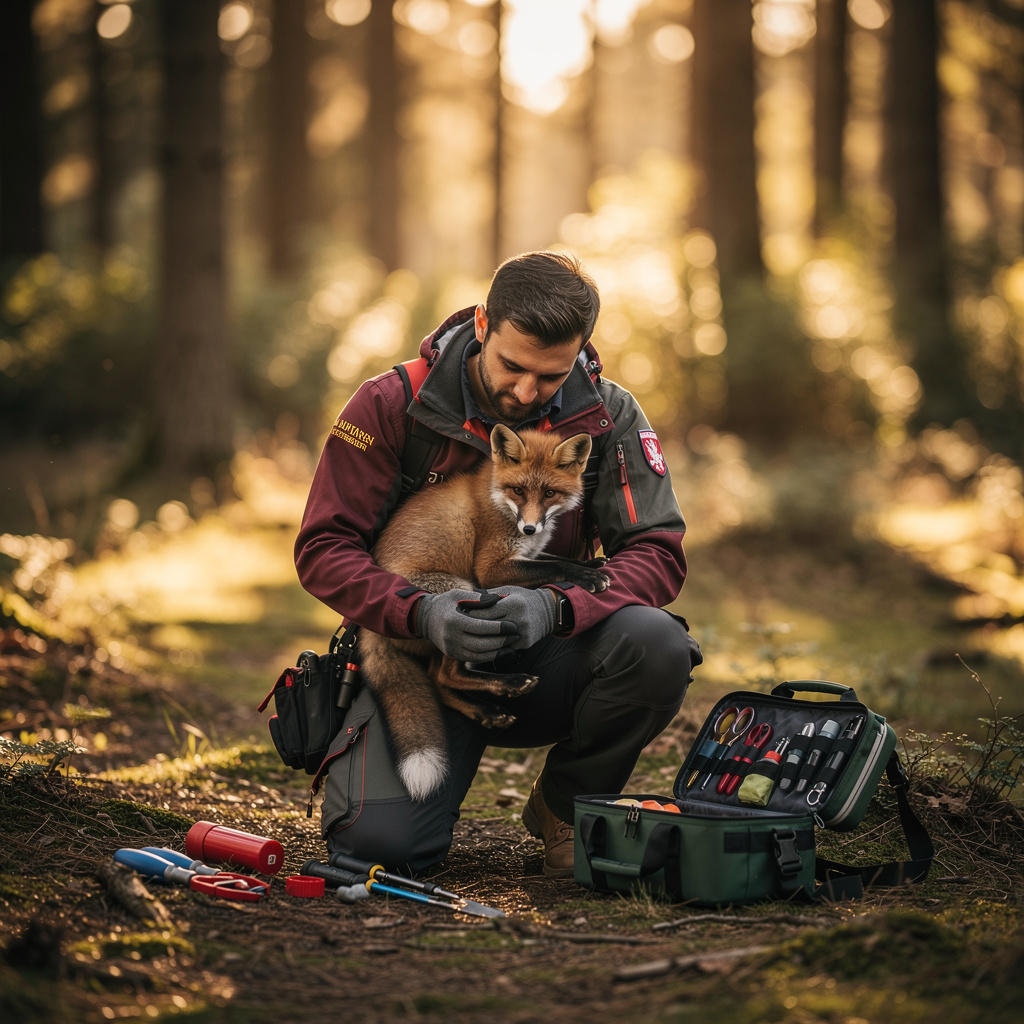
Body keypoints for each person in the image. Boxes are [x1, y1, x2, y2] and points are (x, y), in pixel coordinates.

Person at [294, 251, 702, 877]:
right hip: (420, 651)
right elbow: (324, 549)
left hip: (548, 646)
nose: (526, 391)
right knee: (382, 852)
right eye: (513, 366)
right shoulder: (388, 403)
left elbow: (657, 552)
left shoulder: (608, 415)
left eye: (551, 376)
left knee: (657, 645)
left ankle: (566, 806)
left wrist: (557, 605)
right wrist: (419, 612)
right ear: (483, 323)